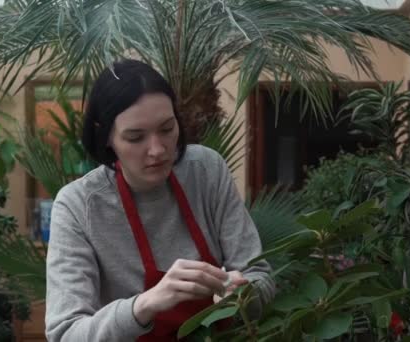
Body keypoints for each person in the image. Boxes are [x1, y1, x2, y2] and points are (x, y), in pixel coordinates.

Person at [45, 59, 275, 341]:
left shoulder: (206, 170)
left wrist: (240, 292)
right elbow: (65, 334)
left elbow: (258, 274)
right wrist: (145, 305)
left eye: (167, 129)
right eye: (135, 137)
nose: (157, 150)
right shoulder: (78, 206)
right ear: (106, 136)